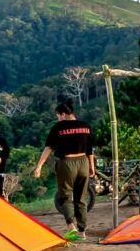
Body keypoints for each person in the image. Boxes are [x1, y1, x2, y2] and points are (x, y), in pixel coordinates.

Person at [32, 99, 99, 235]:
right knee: (81, 197)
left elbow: (48, 148)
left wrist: (39, 166)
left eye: (57, 116)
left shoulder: (58, 127)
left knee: (66, 196)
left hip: (67, 163)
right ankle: (82, 232)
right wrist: (92, 166)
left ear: (63, 114)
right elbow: (89, 149)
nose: (57, 119)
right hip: (84, 163)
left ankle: (71, 227)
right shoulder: (85, 126)